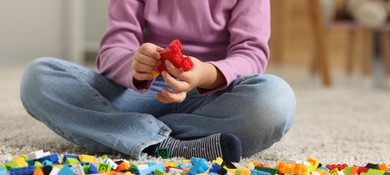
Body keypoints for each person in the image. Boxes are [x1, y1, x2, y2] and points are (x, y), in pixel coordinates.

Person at [20, 0, 296, 163]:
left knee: (275, 100)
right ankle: (170, 144)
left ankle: (134, 137)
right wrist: (134, 64)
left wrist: (205, 74)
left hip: (210, 97)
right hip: (135, 95)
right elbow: (112, 50)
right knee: (39, 78)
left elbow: (250, 54)